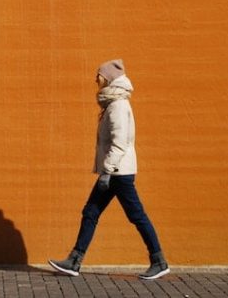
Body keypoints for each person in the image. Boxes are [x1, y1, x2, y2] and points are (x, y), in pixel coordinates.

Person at [48, 59, 170, 280]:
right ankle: (75, 261)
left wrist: (107, 171)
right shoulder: (113, 104)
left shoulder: (118, 106)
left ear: (109, 78)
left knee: (136, 216)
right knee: (91, 212)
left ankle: (159, 261)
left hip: (118, 173)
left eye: (99, 75)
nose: (96, 79)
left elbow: (119, 142)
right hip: (114, 171)